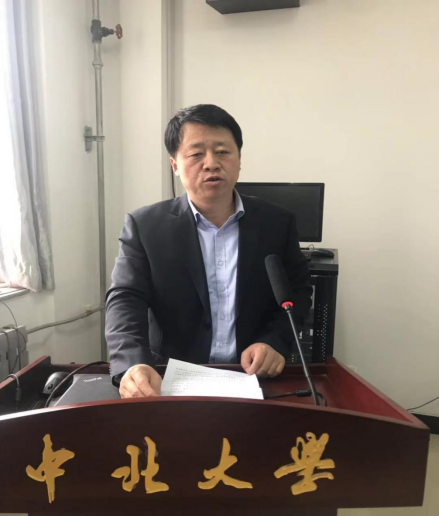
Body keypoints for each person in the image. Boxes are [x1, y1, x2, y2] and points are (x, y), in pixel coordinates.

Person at [106, 104, 312, 399]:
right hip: (167, 379)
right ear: (175, 165)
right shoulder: (145, 226)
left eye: (223, 151)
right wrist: (132, 363)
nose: (212, 164)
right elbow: (125, 299)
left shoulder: (277, 223)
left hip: (253, 377)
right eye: (196, 154)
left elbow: (297, 292)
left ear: (239, 159)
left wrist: (274, 342)